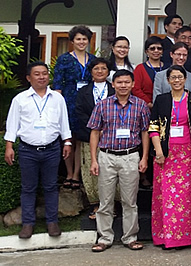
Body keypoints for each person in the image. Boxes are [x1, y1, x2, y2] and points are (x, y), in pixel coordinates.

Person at [5, 62, 73, 239]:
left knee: (51, 187)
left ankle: (52, 222)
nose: (42, 77)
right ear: (29, 78)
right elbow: (12, 124)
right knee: (28, 188)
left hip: (51, 149)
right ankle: (28, 223)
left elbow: (64, 122)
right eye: (37, 74)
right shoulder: (20, 99)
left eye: (44, 73)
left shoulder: (57, 98)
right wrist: (9, 146)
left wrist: (67, 142)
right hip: (28, 150)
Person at [88, 70, 150, 252]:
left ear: (132, 84)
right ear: (113, 84)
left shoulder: (140, 106)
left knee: (130, 201)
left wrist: (144, 157)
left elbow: (145, 132)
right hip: (107, 156)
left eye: (127, 82)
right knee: (105, 201)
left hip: (130, 156)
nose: (123, 85)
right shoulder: (102, 105)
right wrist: (93, 159)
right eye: (119, 82)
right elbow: (94, 132)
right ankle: (105, 237)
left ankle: (130, 237)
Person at [149, 65, 191, 249]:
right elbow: (154, 126)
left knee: (184, 197)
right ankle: (164, 237)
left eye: (180, 77)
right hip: (165, 153)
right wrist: (159, 151)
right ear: (168, 80)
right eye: (173, 77)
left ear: (186, 79)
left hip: (188, 153)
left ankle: (183, 238)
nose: (177, 80)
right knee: (164, 196)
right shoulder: (162, 100)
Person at [53, 25, 95, 191]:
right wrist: (58, 103)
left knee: (81, 139)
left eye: (84, 39)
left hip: (86, 101)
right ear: (72, 41)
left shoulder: (92, 59)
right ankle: (68, 173)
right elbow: (58, 83)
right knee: (68, 139)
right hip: (68, 100)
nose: (81, 42)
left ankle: (77, 175)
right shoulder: (64, 59)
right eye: (78, 39)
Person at [75, 58, 115, 220]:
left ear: (108, 71)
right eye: (96, 69)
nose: (100, 71)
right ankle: (96, 204)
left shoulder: (114, 89)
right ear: (91, 72)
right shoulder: (83, 91)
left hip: (112, 136)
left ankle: (111, 205)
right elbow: (79, 112)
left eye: (103, 68)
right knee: (92, 170)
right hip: (89, 135)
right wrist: (95, 127)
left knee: (111, 171)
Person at [133, 36, 165, 107]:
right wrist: (149, 103)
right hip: (145, 106)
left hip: (165, 106)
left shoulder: (168, 68)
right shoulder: (140, 68)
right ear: (146, 51)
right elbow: (136, 89)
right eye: (152, 48)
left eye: (159, 48)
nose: (156, 51)